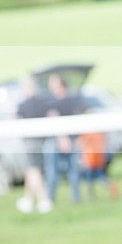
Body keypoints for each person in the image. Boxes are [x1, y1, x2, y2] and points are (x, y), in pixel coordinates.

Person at [43, 73, 84, 204]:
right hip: (69, 139)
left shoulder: (54, 102)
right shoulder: (73, 100)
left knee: (54, 170)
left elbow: (54, 119)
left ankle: (51, 199)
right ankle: (70, 198)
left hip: (60, 140)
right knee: (71, 170)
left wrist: (62, 139)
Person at [15, 76, 53, 214]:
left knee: (33, 170)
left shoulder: (23, 105)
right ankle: (28, 200)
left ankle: (44, 200)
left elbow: (15, 121)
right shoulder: (43, 103)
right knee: (31, 170)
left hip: (29, 142)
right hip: (42, 142)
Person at [77, 119, 119, 200]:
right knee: (101, 177)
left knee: (90, 179)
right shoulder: (99, 132)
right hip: (99, 158)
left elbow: (81, 143)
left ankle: (91, 195)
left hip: (90, 159)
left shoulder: (87, 132)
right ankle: (112, 187)